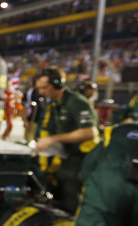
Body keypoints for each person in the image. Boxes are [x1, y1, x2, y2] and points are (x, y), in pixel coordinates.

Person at [33, 67, 98, 214]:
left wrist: (52, 139)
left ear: (57, 83)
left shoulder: (76, 102)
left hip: (81, 162)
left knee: (71, 204)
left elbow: (90, 132)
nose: (42, 92)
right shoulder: (55, 104)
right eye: (39, 88)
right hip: (65, 159)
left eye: (45, 87)